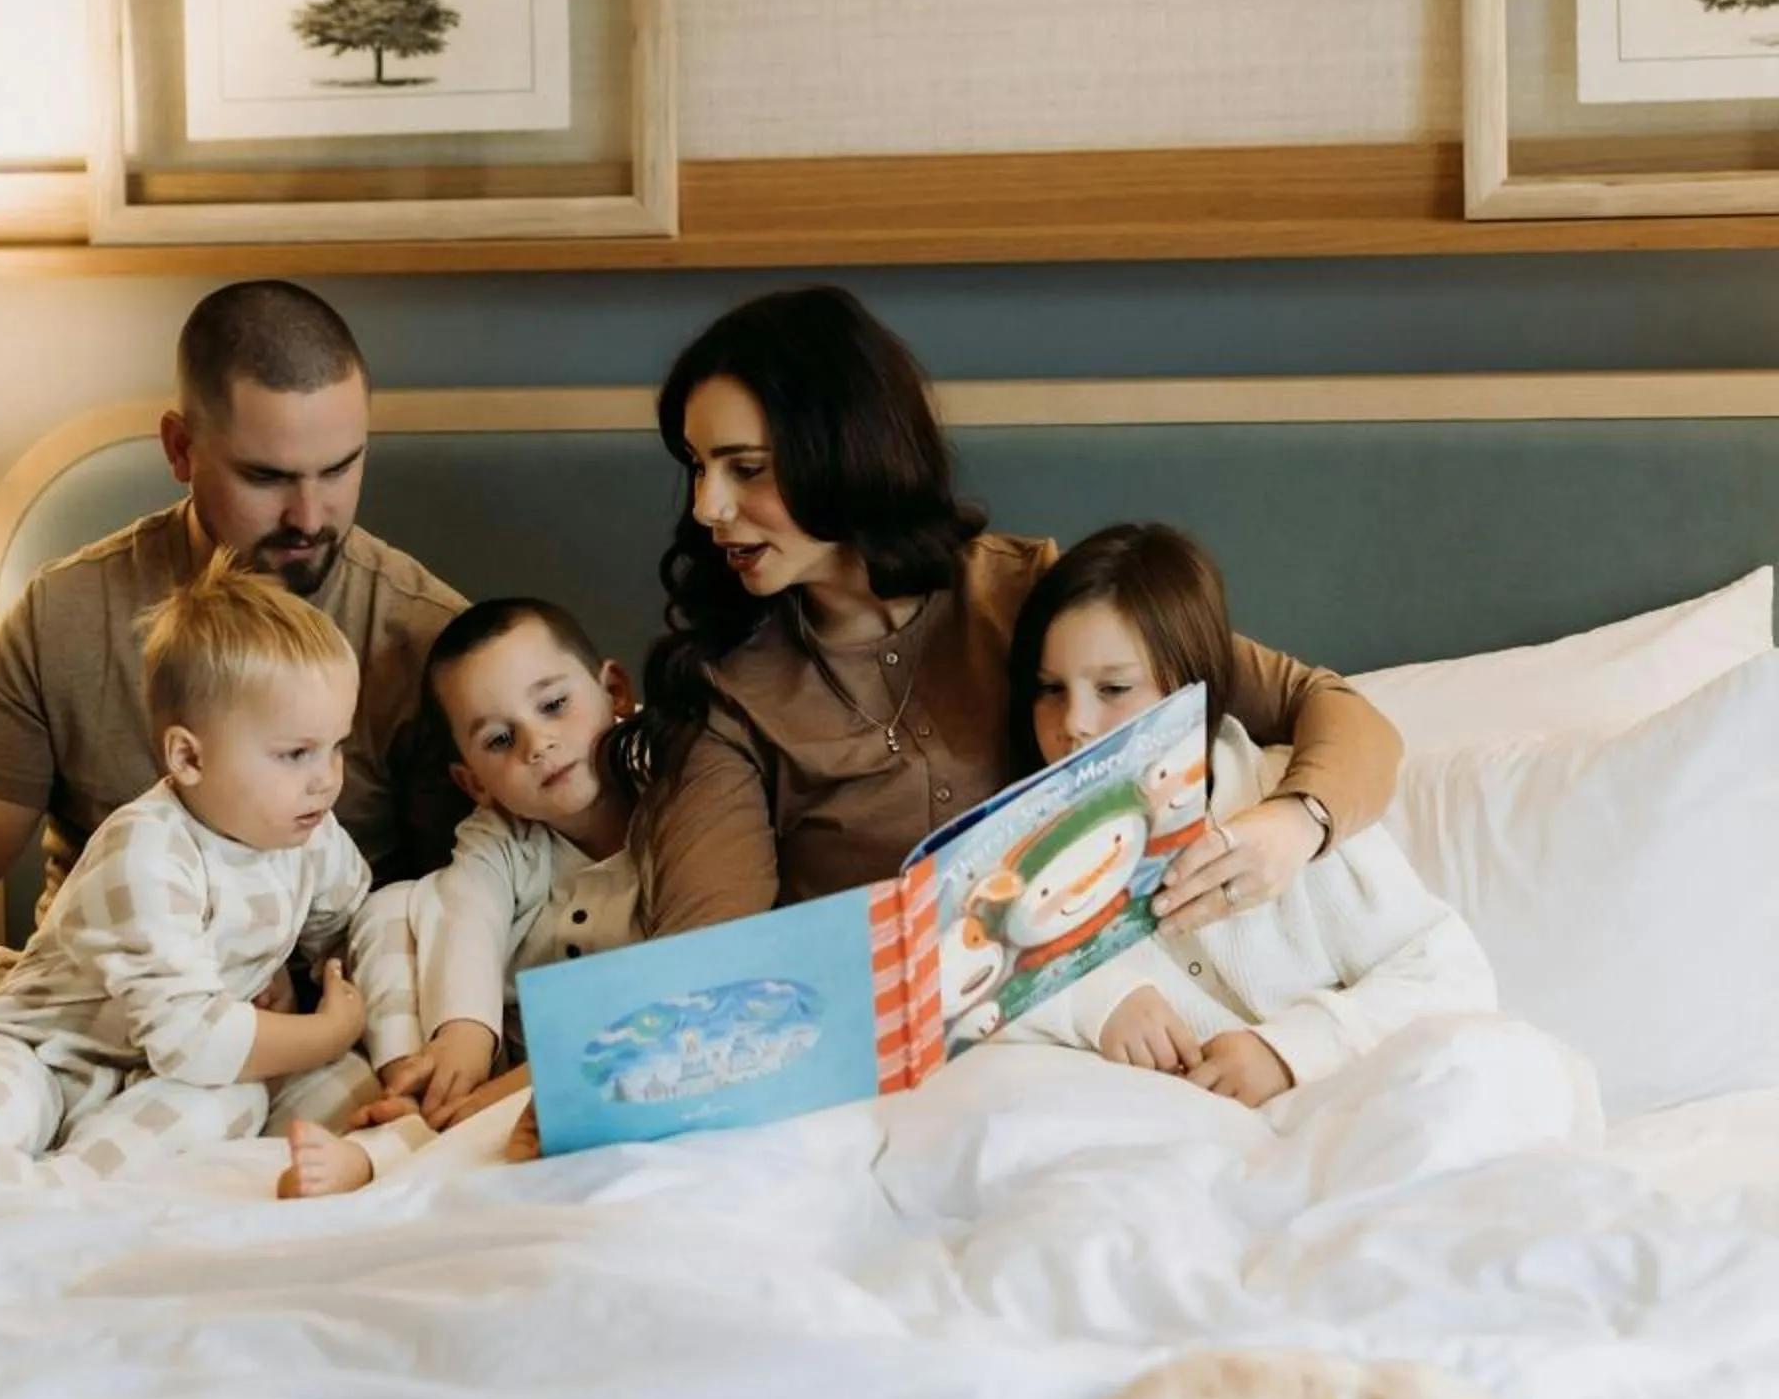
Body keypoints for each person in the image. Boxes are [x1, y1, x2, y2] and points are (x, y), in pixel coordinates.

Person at [0, 280, 464, 1110]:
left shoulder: (425, 636)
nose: (312, 513)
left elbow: (447, 907)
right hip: (78, 1016)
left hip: (288, 1034)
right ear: (180, 449)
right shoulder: (67, 613)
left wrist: (314, 1002)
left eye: (340, 468)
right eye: (267, 476)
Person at [624, 286, 1401, 940]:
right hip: (887, 1065)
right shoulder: (725, 695)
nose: (708, 508)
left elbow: (1327, 705)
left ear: (847, 451)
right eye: (697, 468)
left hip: (1104, 1028)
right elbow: (704, 970)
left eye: (746, 469)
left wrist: (1298, 824)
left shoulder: (1037, 597)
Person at [0, 560, 374, 1200]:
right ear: (189, 757)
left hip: (150, 1069)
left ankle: (60, 1196)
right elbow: (191, 1038)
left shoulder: (309, 833)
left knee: (245, 1102)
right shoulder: (147, 848)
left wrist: (305, 976)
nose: (327, 777)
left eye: (336, 746)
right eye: (297, 753)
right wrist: (330, 1030)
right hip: (47, 1051)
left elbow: (348, 923)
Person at [1000, 521, 1494, 1100]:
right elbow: (952, 1000)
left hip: (1339, 1109)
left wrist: (1288, 1052)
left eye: (1113, 689)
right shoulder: (1019, 857)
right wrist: (1098, 1003)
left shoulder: (1281, 802)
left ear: (1191, 687)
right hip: (1171, 1139)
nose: (1073, 723)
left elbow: (1450, 975)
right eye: (1050, 689)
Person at [279, 596, 638, 1197]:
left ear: (616, 692)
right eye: (499, 740)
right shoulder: (501, 836)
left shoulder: (678, 789)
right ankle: (419, 1097)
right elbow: (469, 914)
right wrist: (466, 1034)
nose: (538, 744)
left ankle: (424, 1128)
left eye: (554, 705)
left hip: (607, 1040)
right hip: (493, 1049)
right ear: (473, 782)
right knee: (397, 905)